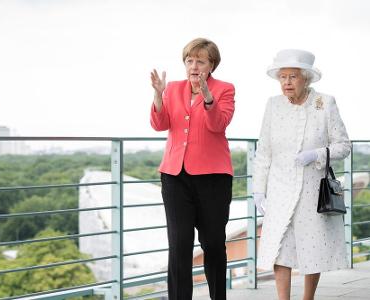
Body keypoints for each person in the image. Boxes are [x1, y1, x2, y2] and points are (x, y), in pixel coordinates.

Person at [253, 49, 351, 300]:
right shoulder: (273, 105)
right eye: (282, 76)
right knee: (279, 248)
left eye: (292, 77)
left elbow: (344, 146)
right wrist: (258, 189)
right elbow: (263, 150)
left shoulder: (324, 103)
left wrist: (316, 154)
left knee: (312, 248)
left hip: (311, 189)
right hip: (280, 187)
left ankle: (308, 298)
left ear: (306, 78)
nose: (286, 82)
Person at [150, 37, 235, 300]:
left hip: (213, 178)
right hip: (175, 177)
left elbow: (218, 124)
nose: (194, 65)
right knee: (179, 245)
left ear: (211, 65)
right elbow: (159, 124)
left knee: (212, 244)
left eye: (200, 60)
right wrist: (157, 95)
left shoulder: (224, 89)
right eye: (190, 60)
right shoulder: (173, 88)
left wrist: (208, 98)